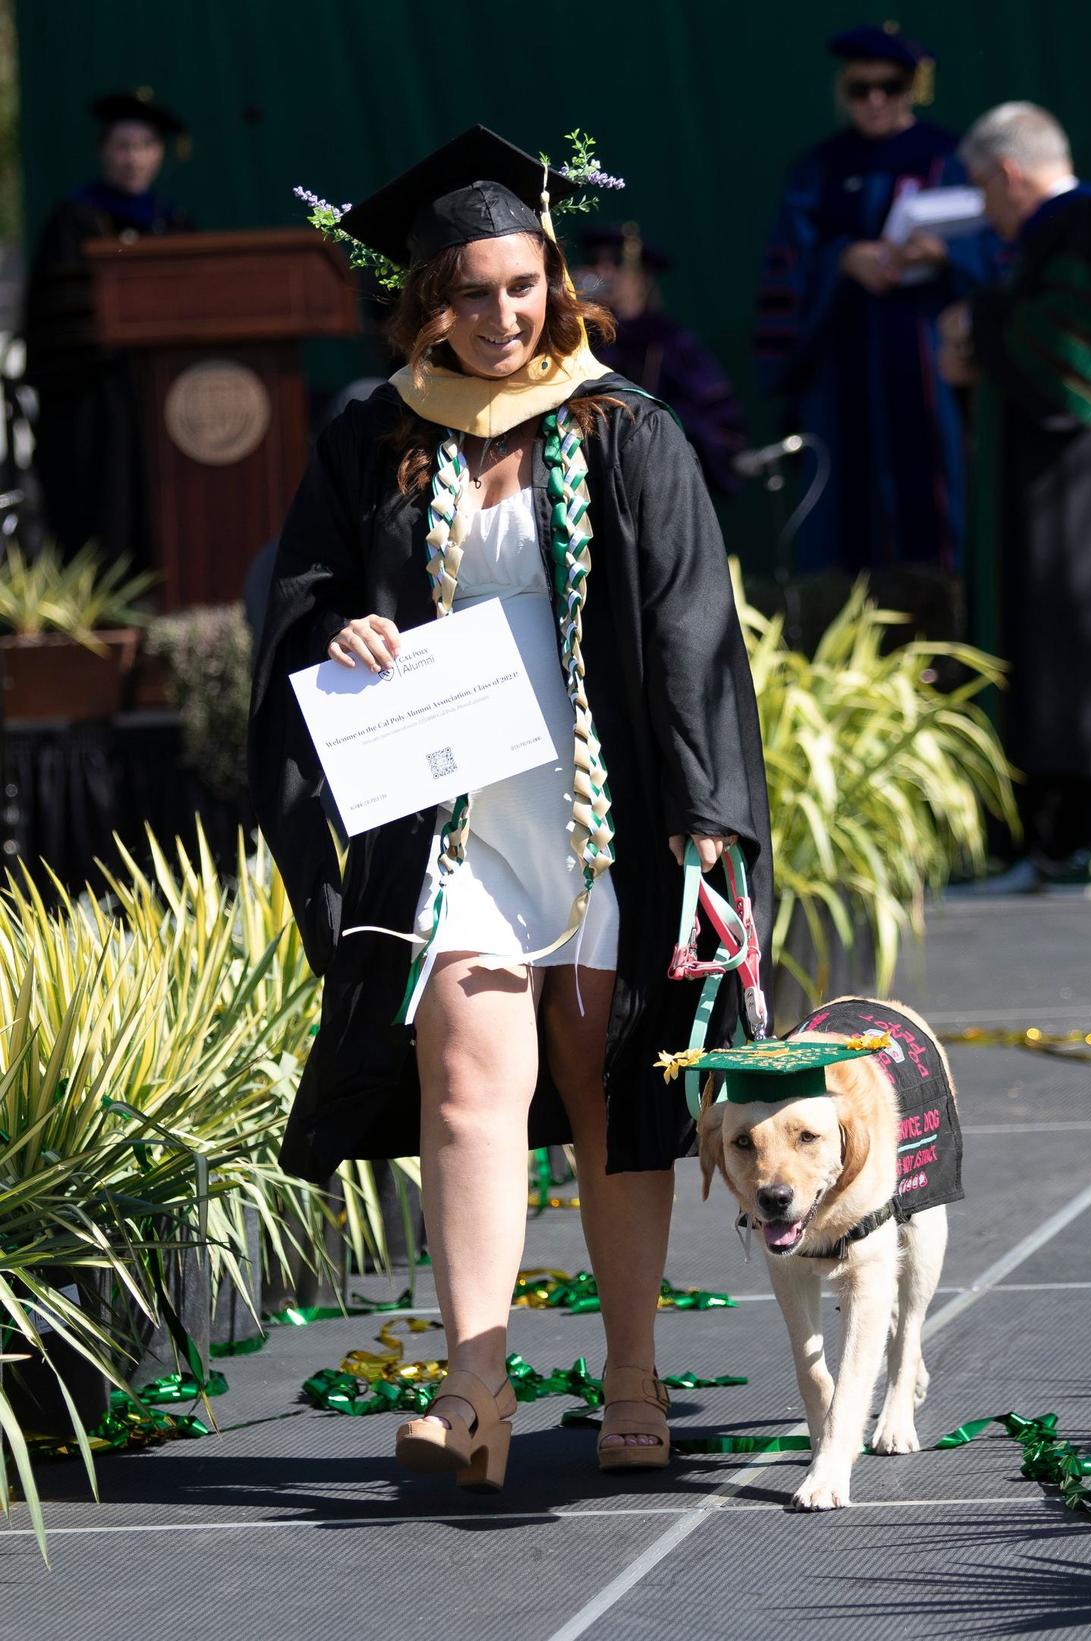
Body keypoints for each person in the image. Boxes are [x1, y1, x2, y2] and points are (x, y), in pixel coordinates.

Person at [249, 127, 772, 1487]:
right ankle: (472, 1384)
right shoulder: (375, 433)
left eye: (522, 286)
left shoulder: (624, 429)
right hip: (459, 818)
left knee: (610, 1098)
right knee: (470, 1086)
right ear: (425, 297)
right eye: (470, 292)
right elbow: (300, 593)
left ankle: (633, 1372)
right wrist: (344, 628)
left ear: (556, 280)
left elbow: (694, 632)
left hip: (609, 819)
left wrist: (707, 816)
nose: (501, 316)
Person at [940, 104, 1091, 892]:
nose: (983, 208)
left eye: (982, 189)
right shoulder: (1057, 234)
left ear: (1009, 174)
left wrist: (978, 321)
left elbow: (1075, 372)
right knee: (1046, 656)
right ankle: (1053, 842)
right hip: (1047, 498)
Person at [754, 24, 991, 587]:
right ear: (844, 90)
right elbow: (789, 265)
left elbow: (997, 244)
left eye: (890, 86)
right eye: (861, 89)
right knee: (847, 515)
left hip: (930, 359)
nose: (876, 100)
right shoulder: (818, 170)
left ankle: (949, 617)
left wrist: (947, 251)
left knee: (936, 493)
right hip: (845, 365)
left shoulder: (948, 158)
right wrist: (843, 259)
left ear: (913, 87)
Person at [23, 90, 192, 565]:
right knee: (101, 506)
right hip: (95, 399)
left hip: (162, 393)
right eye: (123, 146)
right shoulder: (75, 220)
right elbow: (56, 316)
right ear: (104, 152)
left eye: (144, 146)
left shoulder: (173, 224)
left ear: (159, 154)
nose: (133, 158)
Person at [572, 222, 747, 498]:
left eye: (616, 262)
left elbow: (719, 424)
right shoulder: (579, 339)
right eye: (595, 262)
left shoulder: (671, 343)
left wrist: (653, 425)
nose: (603, 272)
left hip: (657, 480)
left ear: (641, 276)